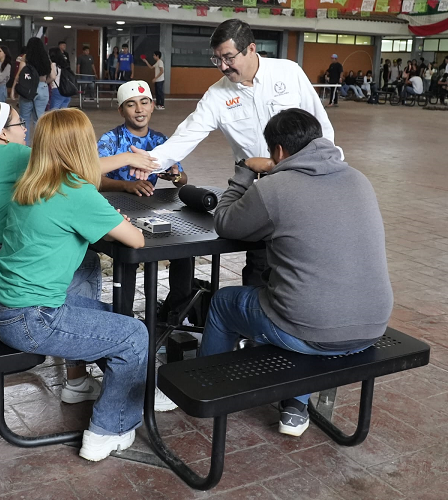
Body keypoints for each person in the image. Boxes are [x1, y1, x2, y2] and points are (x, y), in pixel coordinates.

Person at [199, 108, 393, 437]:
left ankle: (206, 387)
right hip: (373, 324)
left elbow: (225, 221)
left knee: (225, 303)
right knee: (296, 299)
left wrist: (245, 171)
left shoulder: (274, 188)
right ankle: (295, 405)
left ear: (277, 150)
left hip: (311, 330)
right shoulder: (359, 179)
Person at [0, 101, 157, 406]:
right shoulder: (16, 155)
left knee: (78, 259)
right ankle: (77, 376)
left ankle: (88, 360)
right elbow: (76, 168)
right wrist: (128, 158)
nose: (25, 129)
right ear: (3, 134)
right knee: (83, 264)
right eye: (20, 124)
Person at [0, 108, 149, 462]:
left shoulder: (31, 184)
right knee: (134, 336)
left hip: (3, 307)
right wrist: (115, 220)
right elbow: (136, 239)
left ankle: (130, 387)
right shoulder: (75, 190)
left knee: (117, 319)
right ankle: (107, 430)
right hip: (33, 318)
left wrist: (105, 221)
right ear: (80, 147)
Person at [148, 19, 340, 287]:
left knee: (305, 264)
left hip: (303, 186)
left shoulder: (288, 73)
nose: (223, 66)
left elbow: (322, 128)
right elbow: (185, 136)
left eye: (228, 57)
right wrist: (148, 163)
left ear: (251, 48)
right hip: (260, 193)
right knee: (259, 269)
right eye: (217, 60)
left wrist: (329, 174)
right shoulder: (217, 96)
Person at [98, 80, 192, 325]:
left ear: (152, 106)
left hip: (151, 210)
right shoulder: (110, 140)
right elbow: (94, 178)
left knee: (185, 251)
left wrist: (174, 175)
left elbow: (182, 179)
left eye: (144, 102)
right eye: (131, 104)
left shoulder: (161, 141)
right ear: (121, 110)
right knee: (129, 257)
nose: (139, 109)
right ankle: (125, 320)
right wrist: (125, 185)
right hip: (118, 212)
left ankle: (174, 314)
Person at [11, 37, 53, 146]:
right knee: (39, 119)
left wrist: (13, 89)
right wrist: (43, 84)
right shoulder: (46, 58)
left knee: (24, 119)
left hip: (28, 90)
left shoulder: (26, 57)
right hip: (43, 88)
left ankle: (26, 146)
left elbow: (19, 75)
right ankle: (40, 146)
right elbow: (53, 76)